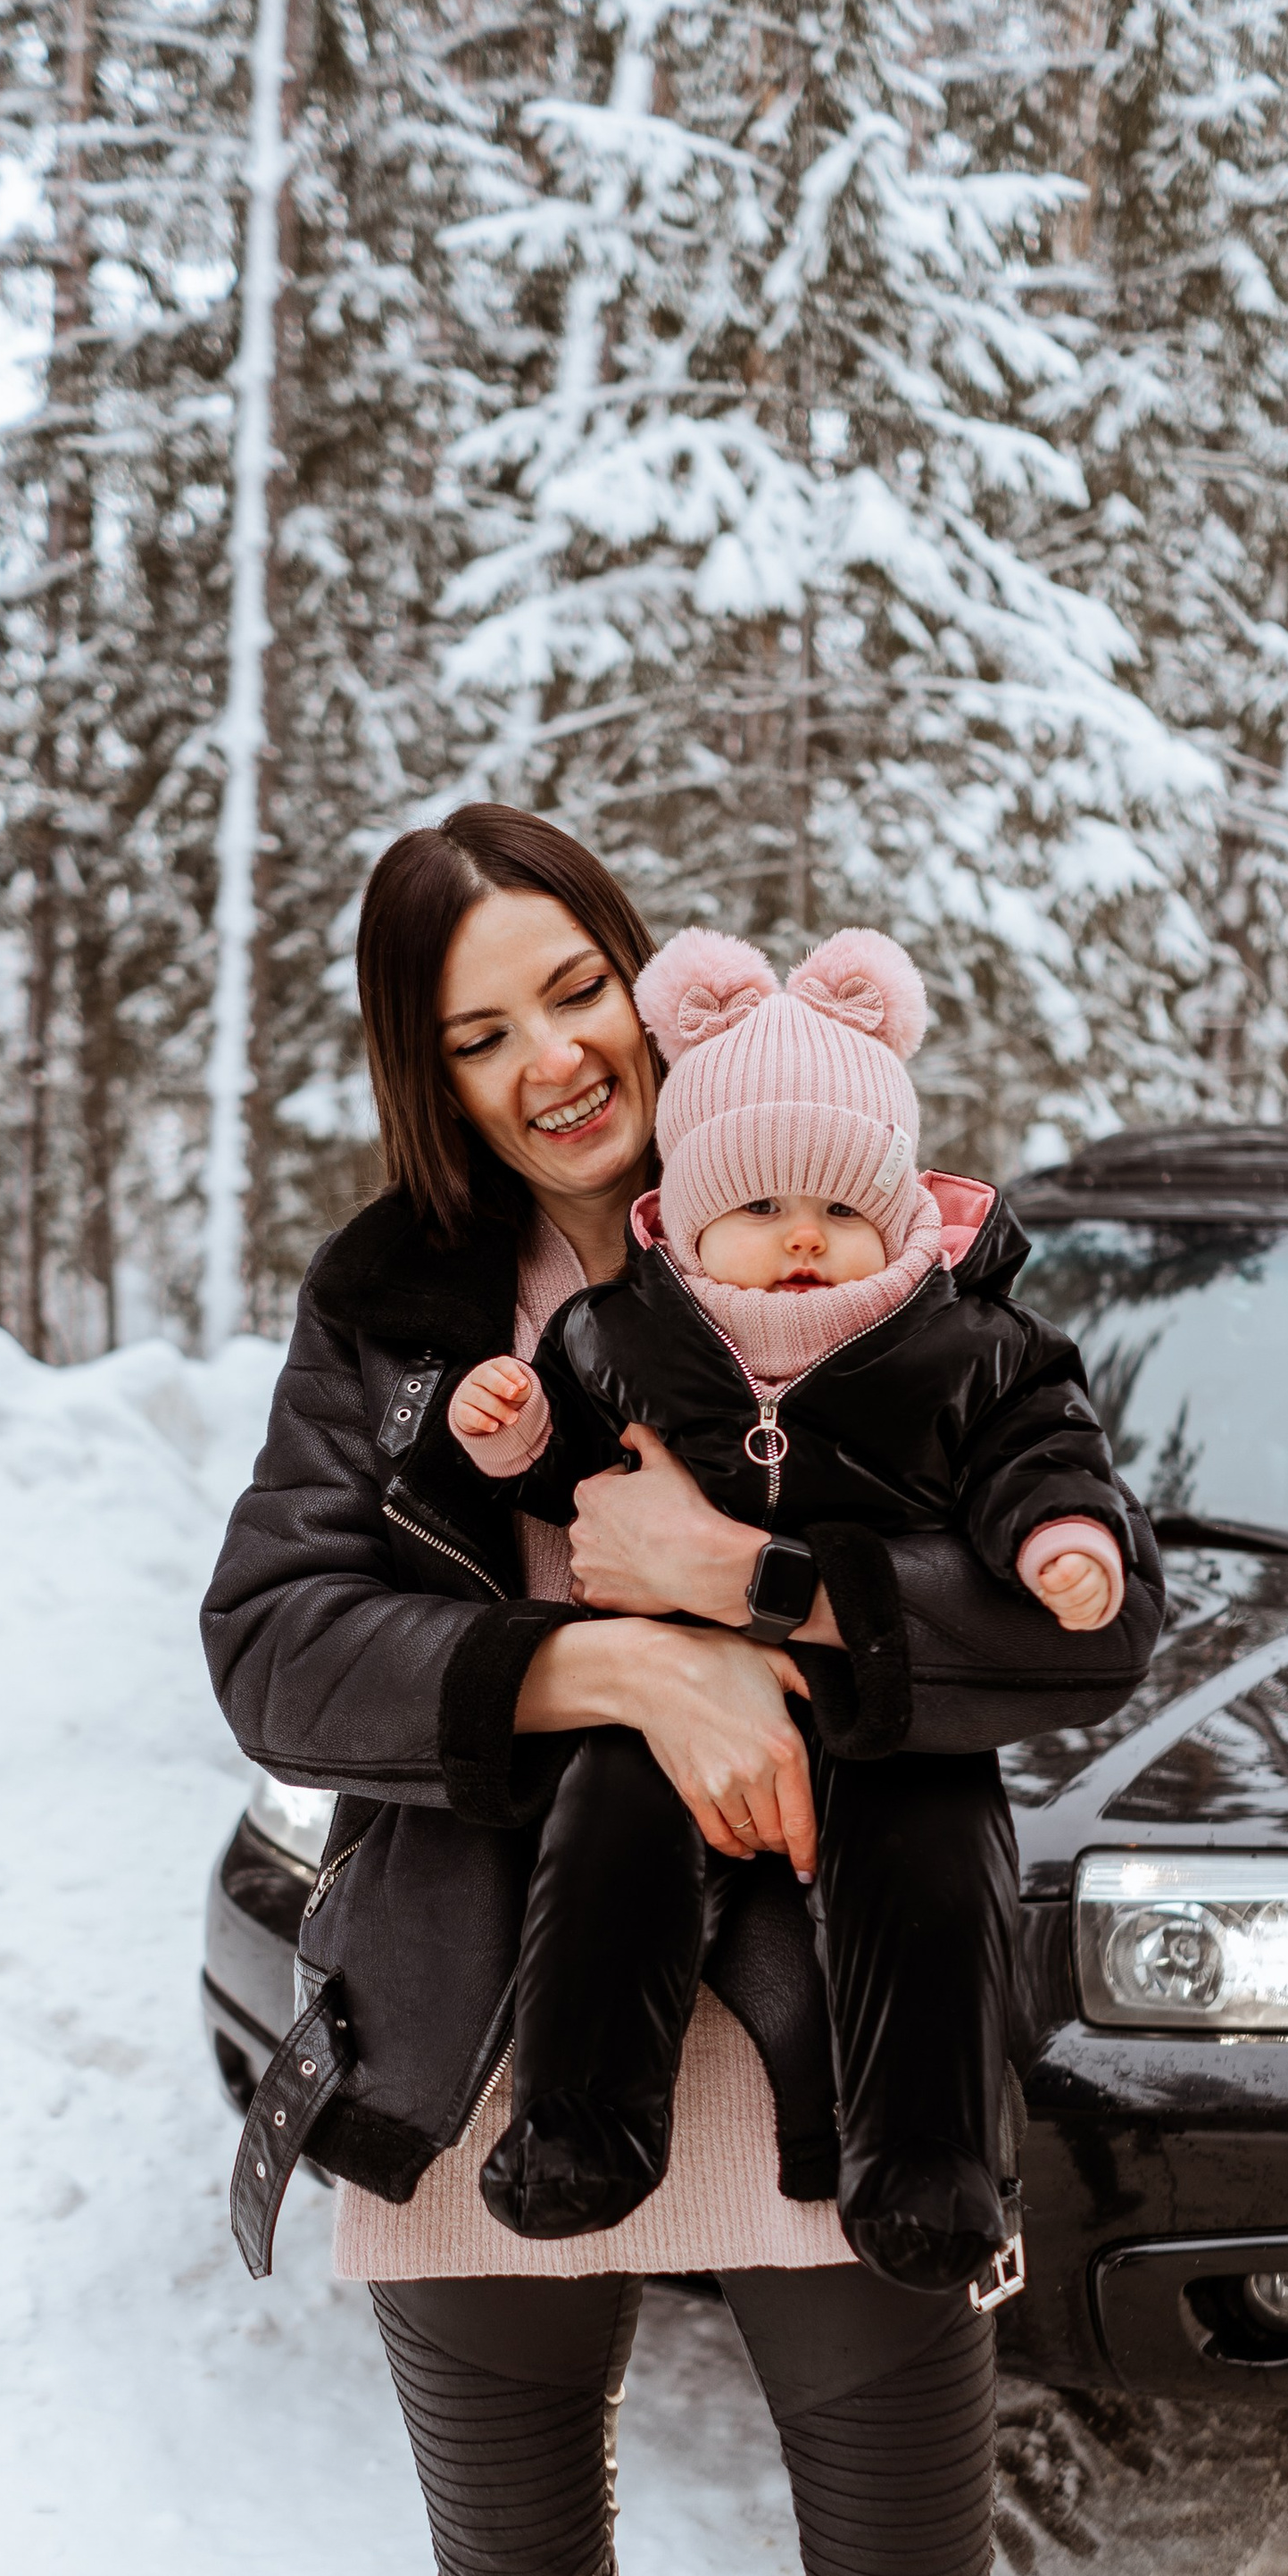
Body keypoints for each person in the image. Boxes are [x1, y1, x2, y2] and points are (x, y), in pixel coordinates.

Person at [201, 805, 1164, 2576]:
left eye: (569, 989)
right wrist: (587, 1658)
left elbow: (1070, 1623)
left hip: (848, 2071)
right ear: (428, 1080)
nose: (549, 1058)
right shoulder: (397, 1306)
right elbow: (273, 1639)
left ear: (664, 980)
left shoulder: (883, 1240)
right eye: (475, 1031)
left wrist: (741, 1589)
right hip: (482, 2069)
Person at [436, 922, 1130, 2280]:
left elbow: (1038, 1446)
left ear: (903, 1215)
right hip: (672, 1699)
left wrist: (1060, 1534)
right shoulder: (629, 1329)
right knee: (606, 1841)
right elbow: (579, 1469)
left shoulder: (964, 1345)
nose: (801, 1241)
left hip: (888, 1707)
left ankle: (924, 2166)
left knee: (929, 1889)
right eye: (758, 1210)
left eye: (837, 1210)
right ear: (693, 1215)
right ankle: (583, 2123)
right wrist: (511, 1433)